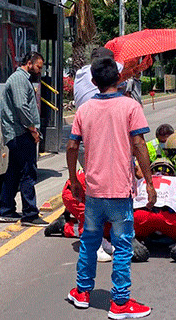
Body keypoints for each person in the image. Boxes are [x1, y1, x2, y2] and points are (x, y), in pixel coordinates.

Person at [66, 56, 154, 318]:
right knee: (123, 245)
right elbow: (139, 145)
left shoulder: (83, 110)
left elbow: (72, 147)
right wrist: (149, 182)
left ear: (93, 82)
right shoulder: (130, 107)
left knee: (89, 241)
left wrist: (73, 181)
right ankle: (120, 302)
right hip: (119, 192)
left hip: (93, 191)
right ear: (119, 78)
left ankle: (82, 292)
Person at [0, 51, 48, 227]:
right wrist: (33, 129)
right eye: (38, 67)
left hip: (19, 132)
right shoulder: (19, 79)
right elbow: (21, 106)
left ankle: (7, 210)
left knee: (14, 172)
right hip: (20, 133)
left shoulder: (22, 79)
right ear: (29, 63)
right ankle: (30, 214)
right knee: (28, 173)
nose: (40, 71)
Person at [131, 159, 176, 263]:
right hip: (167, 216)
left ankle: (131, 239)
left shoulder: (141, 181)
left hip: (142, 215)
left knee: (127, 229)